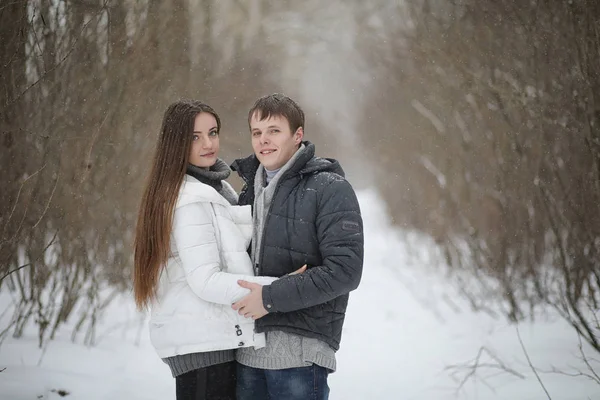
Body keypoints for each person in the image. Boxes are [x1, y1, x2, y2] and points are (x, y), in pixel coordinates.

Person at [132, 99, 303, 400]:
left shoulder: (216, 189)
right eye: (195, 137)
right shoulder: (190, 199)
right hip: (201, 343)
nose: (208, 143)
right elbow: (206, 280)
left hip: (211, 338)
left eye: (212, 132)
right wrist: (279, 288)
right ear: (176, 144)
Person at [230, 93, 364, 400]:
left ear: (298, 135)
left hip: (301, 356)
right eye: (257, 133)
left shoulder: (330, 188)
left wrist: (270, 297)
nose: (263, 140)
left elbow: (345, 271)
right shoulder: (249, 191)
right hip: (247, 353)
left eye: (274, 131)